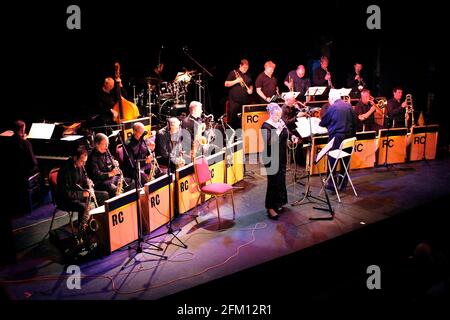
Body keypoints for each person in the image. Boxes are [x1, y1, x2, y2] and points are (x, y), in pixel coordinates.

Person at [56, 146, 108, 227]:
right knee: (84, 207)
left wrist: (88, 183)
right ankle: (82, 230)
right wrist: (82, 194)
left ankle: (101, 222)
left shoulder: (80, 165)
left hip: (78, 193)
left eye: (85, 162)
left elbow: (83, 180)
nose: (84, 164)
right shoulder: (65, 171)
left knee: (104, 195)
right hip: (66, 199)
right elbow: (66, 193)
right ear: (75, 158)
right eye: (82, 161)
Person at [319, 90, 357, 191]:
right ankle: (343, 184)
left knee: (332, 160)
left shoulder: (333, 107)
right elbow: (355, 123)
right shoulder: (349, 106)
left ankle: (331, 184)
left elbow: (323, 122)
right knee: (345, 160)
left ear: (331, 98)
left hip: (337, 138)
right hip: (349, 138)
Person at [261, 103, 290, 220]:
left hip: (281, 155)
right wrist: (278, 130)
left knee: (281, 179)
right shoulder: (265, 126)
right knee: (273, 182)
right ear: (271, 114)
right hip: (271, 157)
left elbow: (286, 133)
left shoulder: (279, 123)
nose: (279, 118)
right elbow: (269, 142)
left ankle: (279, 202)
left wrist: (291, 136)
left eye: (280, 115)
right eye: (277, 116)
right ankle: (270, 207)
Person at [86, 133, 134, 198]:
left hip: (111, 178)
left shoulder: (106, 152)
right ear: (97, 144)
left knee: (131, 182)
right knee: (115, 190)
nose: (107, 146)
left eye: (107, 144)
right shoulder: (92, 157)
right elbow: (96, 174)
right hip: (101, 182)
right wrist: (110, 174)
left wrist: (114, 164)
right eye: (105, 144)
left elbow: (110, 166)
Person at [224, 59, 253, 129]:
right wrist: (236, 81)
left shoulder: (248, 74)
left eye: (247, 68)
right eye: (244, 68)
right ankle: (231, 137)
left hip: (245, 101)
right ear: (240, 65)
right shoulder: (234, 73)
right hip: (234, 101)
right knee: (233, 120)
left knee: (243, 120)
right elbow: (226, 84)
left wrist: (251, 90)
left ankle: (241, 136)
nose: (245, 69)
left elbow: (251, 84)